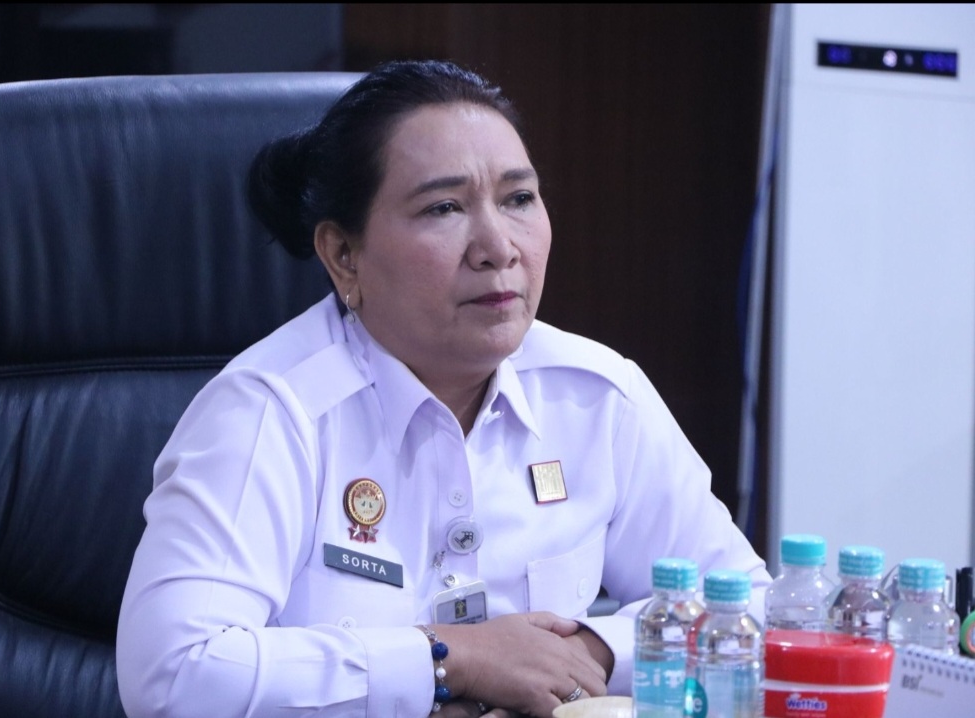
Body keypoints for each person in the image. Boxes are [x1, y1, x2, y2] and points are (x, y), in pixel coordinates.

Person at [115, 59, 770, 718]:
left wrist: (591, 653)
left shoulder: (595, 397)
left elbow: (754, 611)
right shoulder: (270, 411)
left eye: (518, 199)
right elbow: (173, 675)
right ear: (343, 255)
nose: (497, 247)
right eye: (444, 208)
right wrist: (453, 660)